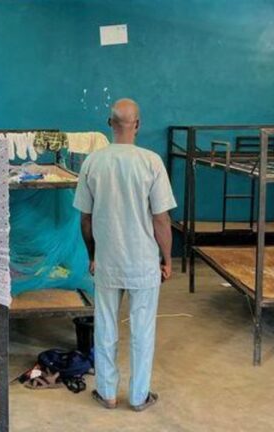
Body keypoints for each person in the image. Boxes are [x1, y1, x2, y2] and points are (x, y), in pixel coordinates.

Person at [73, 98, 176, 411]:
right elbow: (161, 219)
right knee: (142, 330)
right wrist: (167, 258)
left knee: (105, 327)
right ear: (138, 125)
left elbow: (86, 219)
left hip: (108, 260)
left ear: (110, 124)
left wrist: (93, 254)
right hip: (143, 263)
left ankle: (106, 393)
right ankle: (138, 396)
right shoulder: (151, 162)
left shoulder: (93, 163)